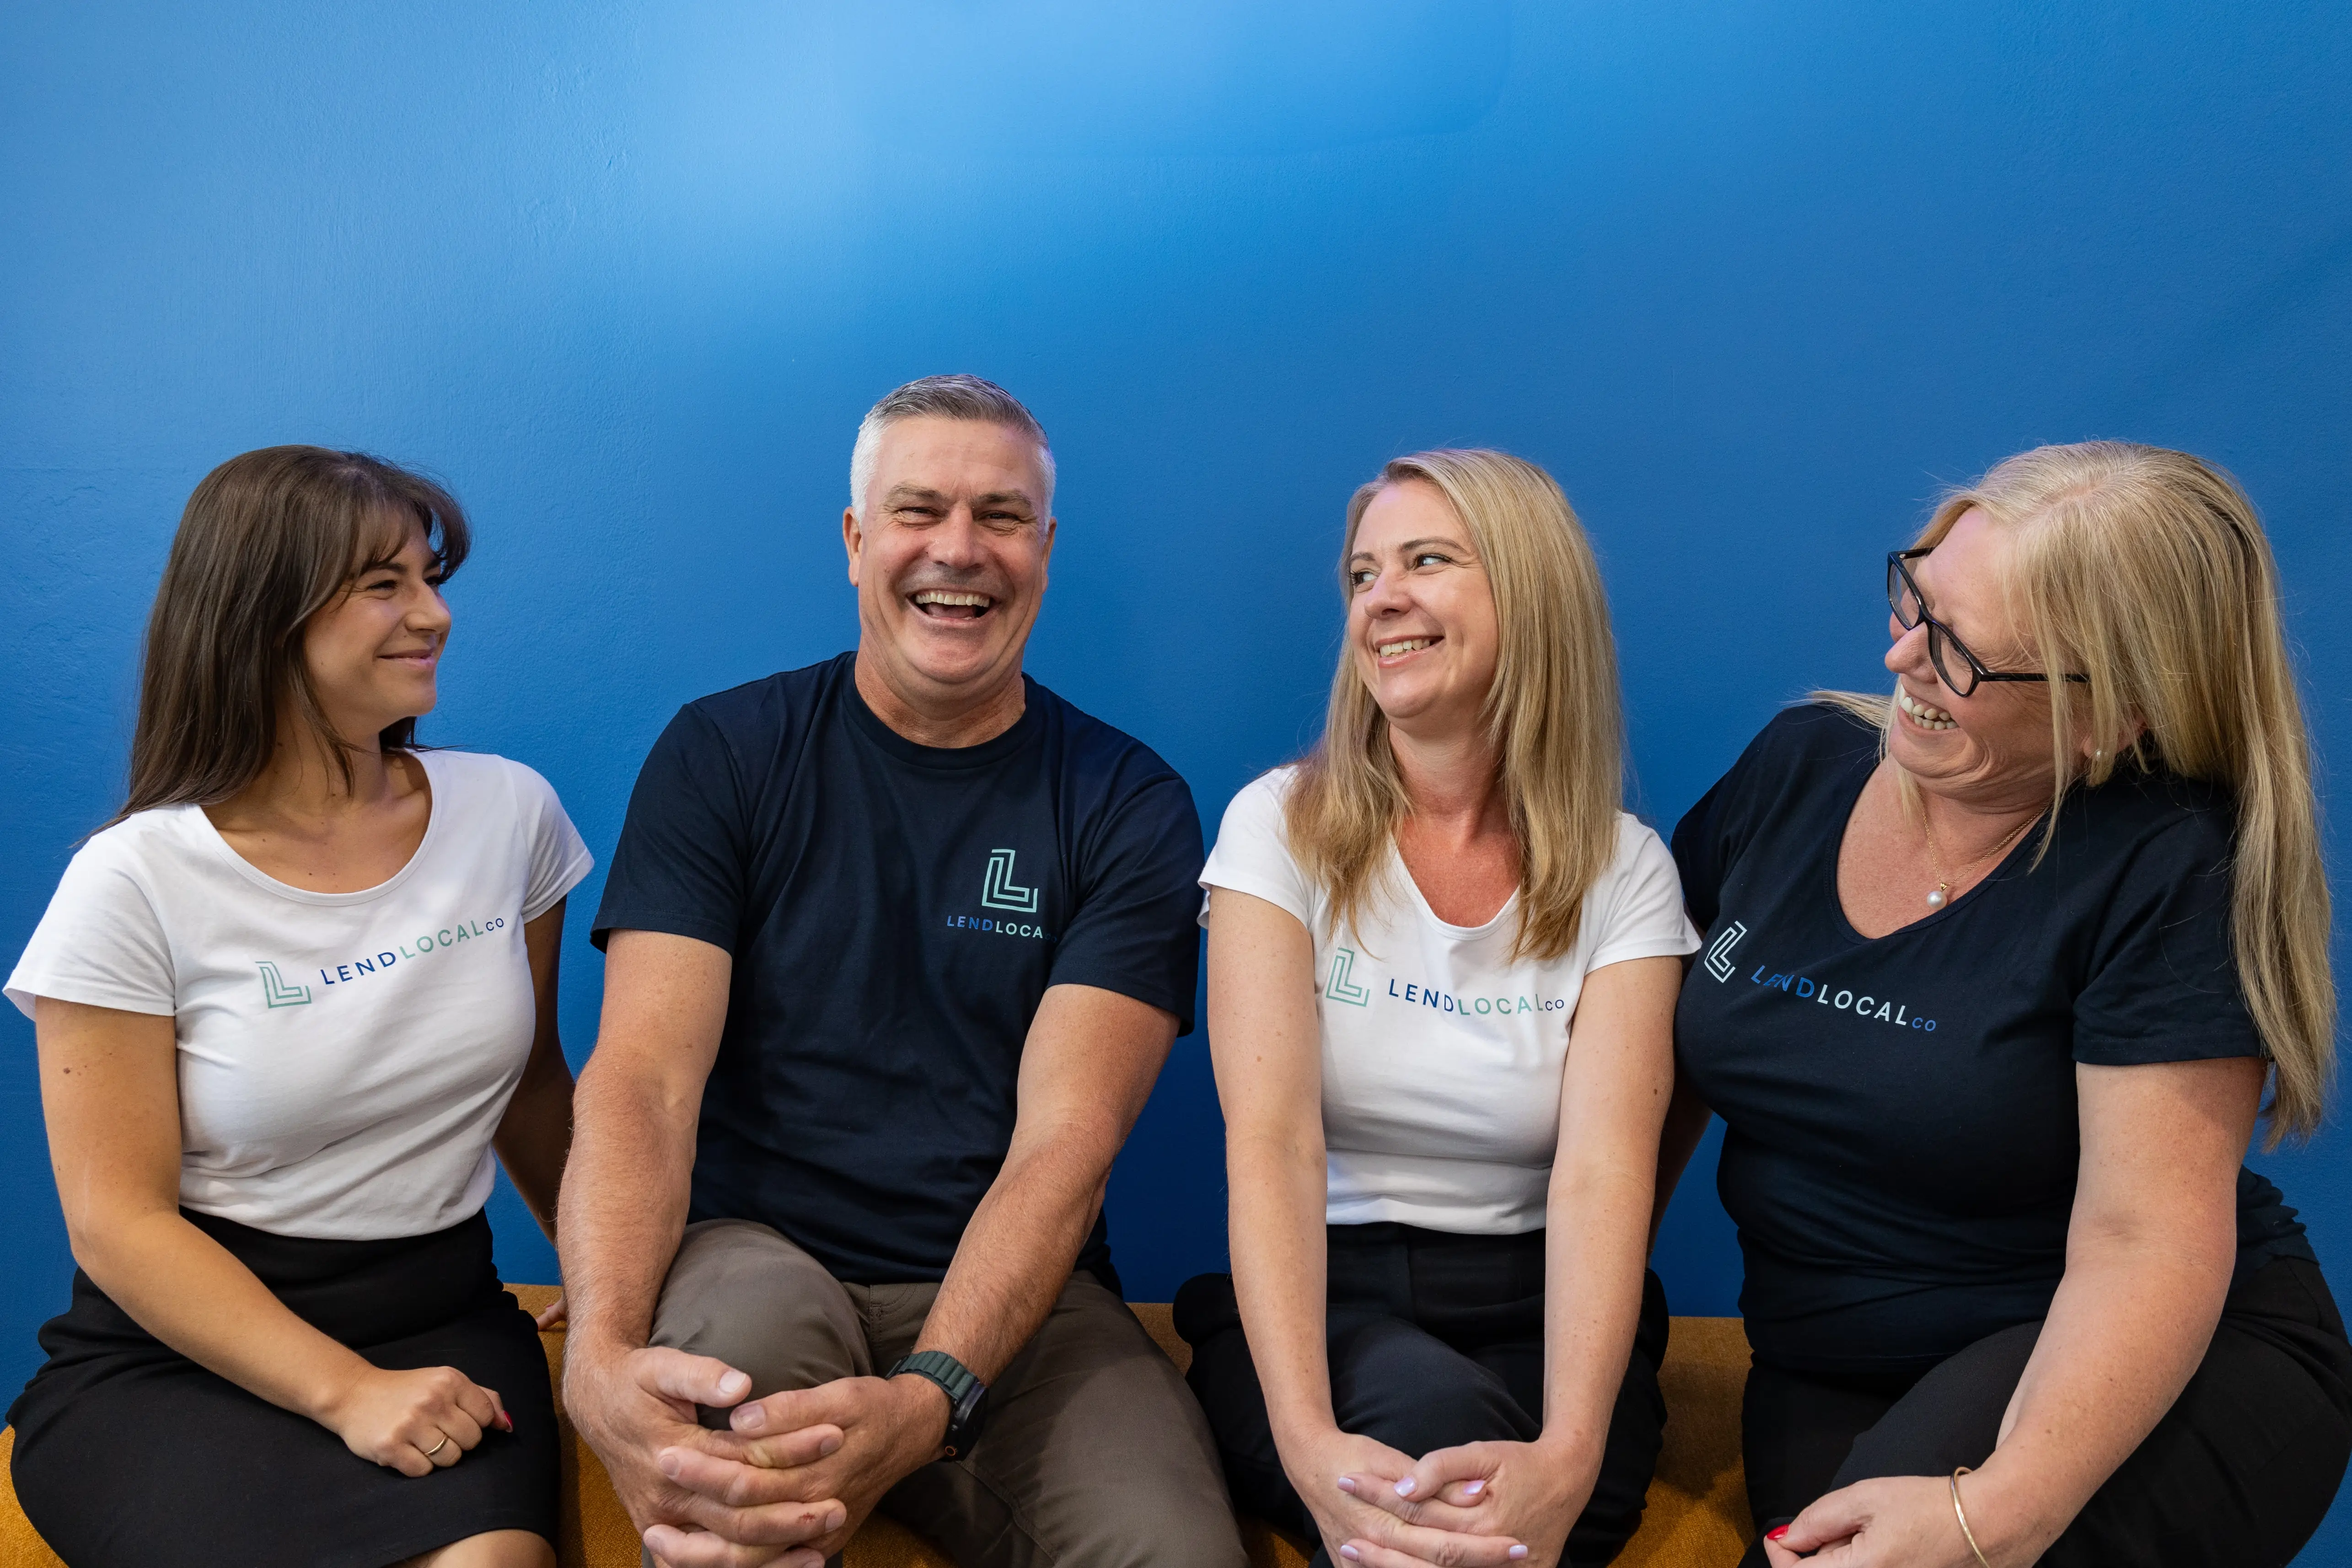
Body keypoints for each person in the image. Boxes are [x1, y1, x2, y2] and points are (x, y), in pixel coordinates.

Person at [556, 374, 1248, 1568]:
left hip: (1018, 1296)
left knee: (1176, 1553)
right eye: (919, 509)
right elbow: (643, 1082)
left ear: (1043, 545)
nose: (958, 550)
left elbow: (1065, 1142)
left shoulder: (1127, 803)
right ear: (855, 538)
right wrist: (602, 1353)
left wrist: (933, 1393)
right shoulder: (725, 752)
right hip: (755, 1251)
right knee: (734, 1493)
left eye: (1000, 516)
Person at [1662, 441, 2352, 1568]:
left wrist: (1995, 1518)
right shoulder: (1795, 770)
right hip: (1832, 1359)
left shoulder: (2168, 868)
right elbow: (1645, 1083)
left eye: (1963, 655)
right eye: (1915, 602)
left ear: (2114, 716)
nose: (1901, 657)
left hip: (2126, 1354)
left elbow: (2145, 1244)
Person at [6, 446, 588, 1568]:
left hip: (441, 1314)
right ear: (263, 614)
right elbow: (116, 1221)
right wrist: (348, 1393)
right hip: (183, 1353)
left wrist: (613, 1287)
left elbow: (533, 1089)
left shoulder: (510, 814)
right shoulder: (132, 879)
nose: (434, 615)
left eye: (431, 578)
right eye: (385, 584)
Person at [1179, 449, 1699, 1568]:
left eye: (1427, 561)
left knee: (1514, 1503)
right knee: (1426, 1474)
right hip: (1327, 1304)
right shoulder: (1278, 828)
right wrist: (1311, 1442)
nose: (1382, 598)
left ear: (1530, 594)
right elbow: (1271, 1142)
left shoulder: (1627, 871)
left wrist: (1566, 1455)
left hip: (1544, 1317)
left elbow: (1604, 1171)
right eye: (1364, 575)